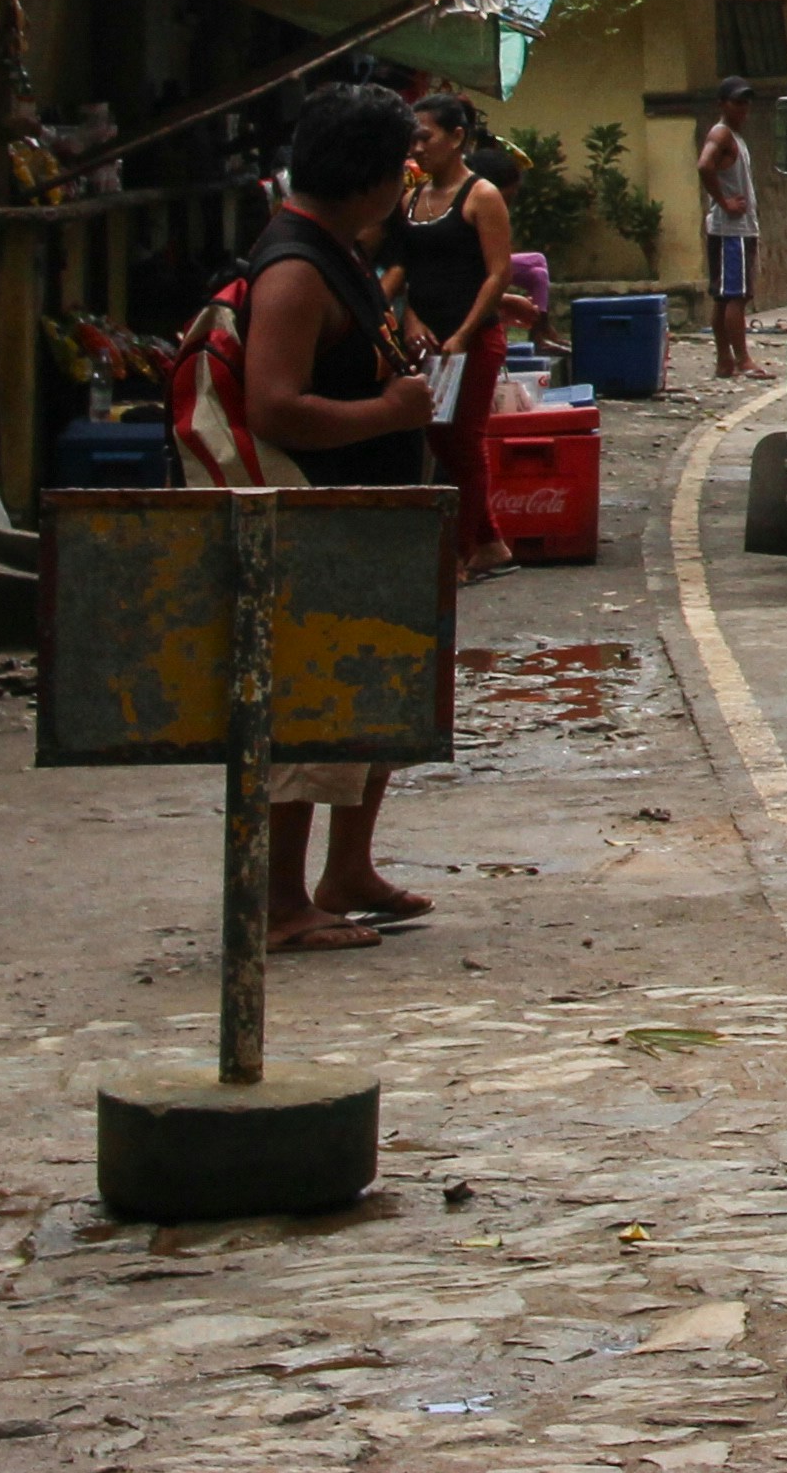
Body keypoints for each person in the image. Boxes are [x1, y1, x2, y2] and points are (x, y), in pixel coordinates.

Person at [236, 85, 441, 950]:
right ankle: (282, 902)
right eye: (401, 169)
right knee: (309, 708)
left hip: (366, 513)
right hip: (318, 516)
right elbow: (274, 405)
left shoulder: (338, 251)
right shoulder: (294, 268)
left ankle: (347, 867)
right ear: (370, 177)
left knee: (371, 693)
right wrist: (388, 413)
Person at [388, 94, 531, 577]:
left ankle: (461, 553)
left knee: (464, 444)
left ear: (456, 138)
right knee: (441, 440)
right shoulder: (412, 199)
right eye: (413, 138)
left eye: (425, 137)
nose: (417, 147)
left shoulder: (481, 195)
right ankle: (491, 544)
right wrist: (409, 320)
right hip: (429, 343)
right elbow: (409, 271)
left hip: (472, 341)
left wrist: (465, 333)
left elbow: (498, 273)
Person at [695, 78, 763, 378]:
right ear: (723, 104)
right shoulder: (721, 134)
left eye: (746, 103)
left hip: (736, 229)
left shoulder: (734, 137)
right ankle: (742, 359)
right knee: (736, 296)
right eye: (737, 103)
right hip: (731, 230)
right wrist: (724, 202)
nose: (743, 109)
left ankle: (725, 360)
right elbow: (704, 165)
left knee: (725, 297)